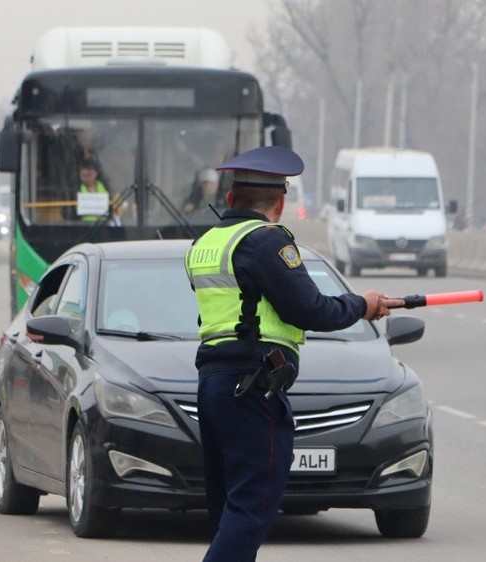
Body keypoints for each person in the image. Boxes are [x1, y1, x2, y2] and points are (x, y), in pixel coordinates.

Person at [184, 146, 402, 561]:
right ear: (280, 204)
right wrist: (362, 304)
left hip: (213, 385)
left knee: (229, 508)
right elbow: (310, 309)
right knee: (253, 506)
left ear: (230, 199)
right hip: (253, 385)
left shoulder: (205, 244)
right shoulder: (266, 241)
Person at [76, 159, 121, 225]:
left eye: (89, 175)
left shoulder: (105, 187)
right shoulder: (76, 189)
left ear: (96, 173)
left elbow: (113, 204)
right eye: (84, 176)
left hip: (104, 224)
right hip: (84, 225)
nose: (87, 178)